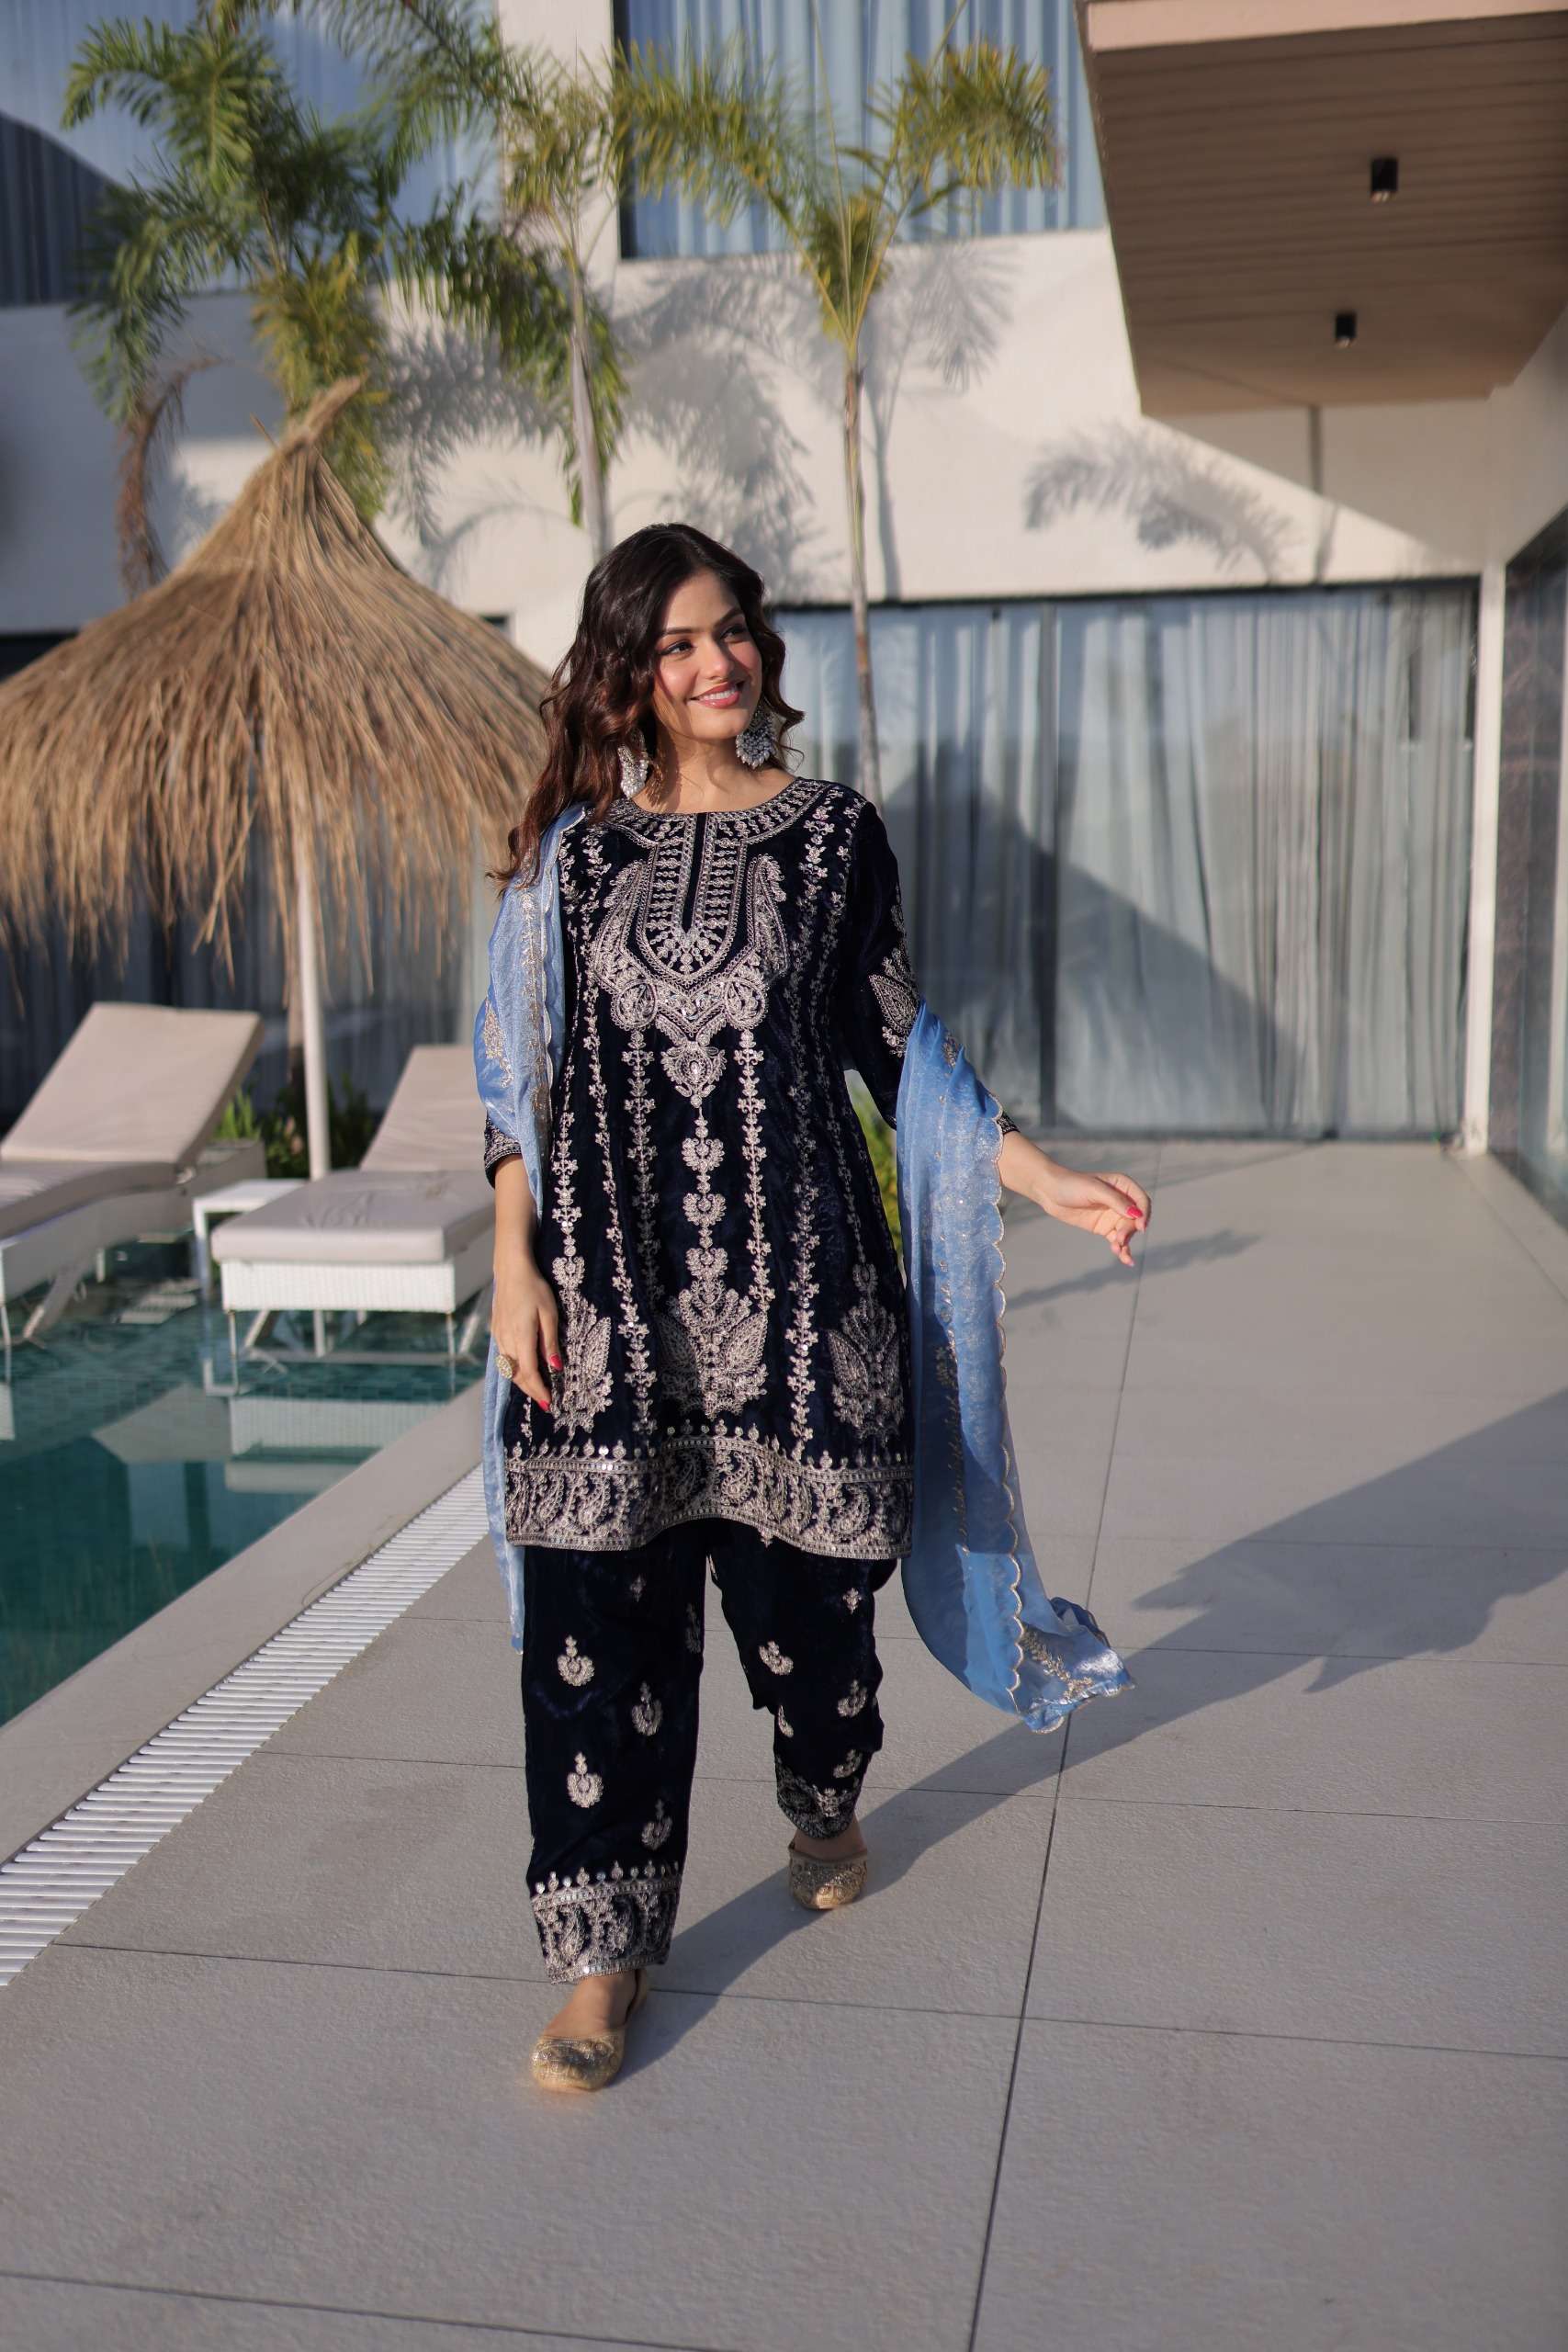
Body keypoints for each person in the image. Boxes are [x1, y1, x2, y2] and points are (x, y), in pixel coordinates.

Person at [475, 522, 1146, 2095]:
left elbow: (899, 1048)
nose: (719, 663)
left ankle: (823, 1794)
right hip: (610, 1313)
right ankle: (601, 1957)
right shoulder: (574, 860)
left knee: (812, 1632)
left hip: (802, 1311)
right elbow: (524, 1075)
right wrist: (512, 1260)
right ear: (630, 675)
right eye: (679, 644)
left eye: (733, 632)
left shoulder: (837, 837)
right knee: (593, 1633)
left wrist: (1041, 1177)